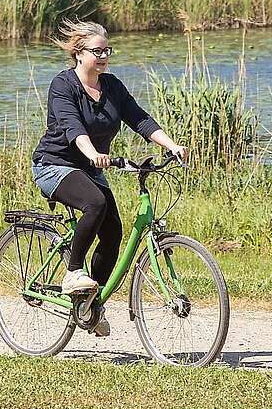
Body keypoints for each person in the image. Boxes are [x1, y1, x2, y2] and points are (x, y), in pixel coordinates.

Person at [31, 21, 188, 336]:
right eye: (96, 51)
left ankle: (90, 306)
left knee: (113, 232)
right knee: (95, 202)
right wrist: (92, 153)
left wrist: (172, 146)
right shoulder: (63, 86)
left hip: (90, 169)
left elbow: (138, 118)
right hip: (55, 164)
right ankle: (73, 272)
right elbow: (73, 127)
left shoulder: (112, 86)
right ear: (78, 53)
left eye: (107, 50)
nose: (103, 56)